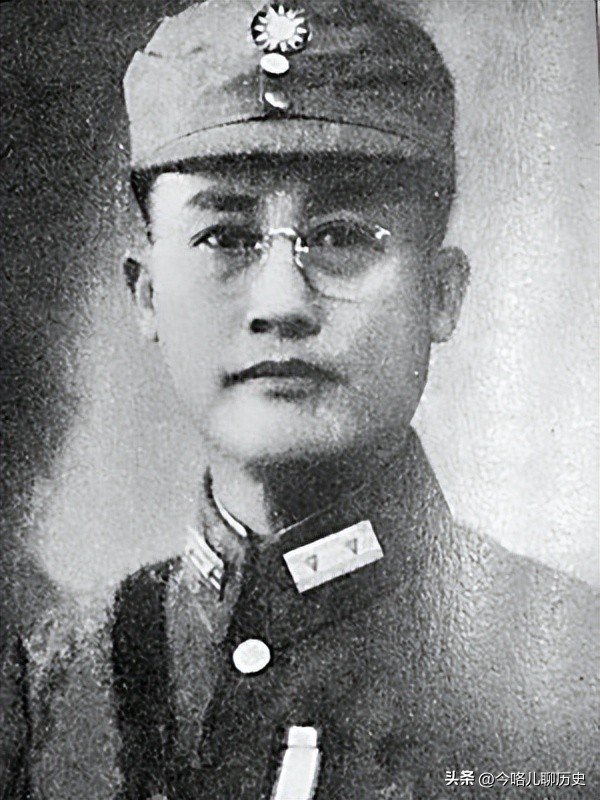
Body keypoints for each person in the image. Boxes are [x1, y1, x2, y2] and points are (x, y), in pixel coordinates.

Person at [1, 1, 597, 798]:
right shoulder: (48, 690)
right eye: (225, 237)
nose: (282, 303)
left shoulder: (575, 674)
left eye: (344, 236)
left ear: (442, 295)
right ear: (146, 295)